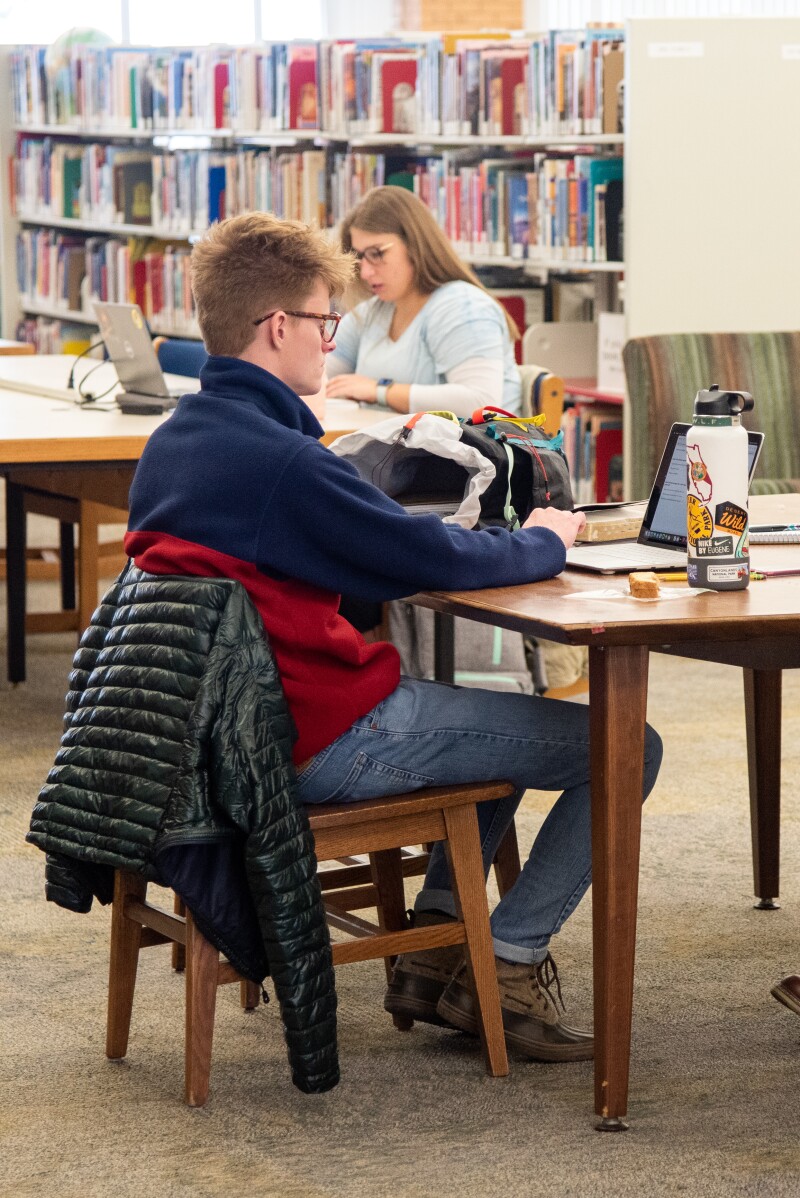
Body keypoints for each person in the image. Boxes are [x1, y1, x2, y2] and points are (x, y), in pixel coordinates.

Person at [125, 210, 663, 1062]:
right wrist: (548, 539)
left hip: (211, 736)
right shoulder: (285, 460)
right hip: (316, 736)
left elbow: (365, 563)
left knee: (495, 723)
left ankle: (436, 952)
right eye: (321, 322)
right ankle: (512, 959)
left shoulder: (174, 442)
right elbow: (424, 554)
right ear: (278, 328)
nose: (329, 343)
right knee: (630, 743)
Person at [325, 185, 523, 417]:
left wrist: (379, 391)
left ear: (415, 245)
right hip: (396, 450)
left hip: (465, 453)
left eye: (377, 253)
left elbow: (481, 403)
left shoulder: (463, 307)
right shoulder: (372, 312)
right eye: (360, 257)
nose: (366, 272)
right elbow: (318, 377)